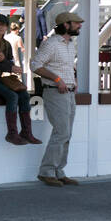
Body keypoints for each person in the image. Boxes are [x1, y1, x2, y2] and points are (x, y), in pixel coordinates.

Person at [32, 10, 83, 186]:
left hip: (68, 92)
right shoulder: (51, 43)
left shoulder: (69, 44)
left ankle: (59, 171)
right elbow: (35, 65)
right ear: (66, 25)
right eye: (76, 23)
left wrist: (73, 79)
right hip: (55, 91)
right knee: (62, 132)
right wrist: (57, 79)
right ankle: (46, 171)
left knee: (66, 134)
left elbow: (66, 66)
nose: (79, 26)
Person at [0, 13, 41, 145]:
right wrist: (9, 67)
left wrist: (5, 61)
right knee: (12, 95)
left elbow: (9, 61)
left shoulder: (6, 44)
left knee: (24, 94)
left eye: (3, 25)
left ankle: (26, 132)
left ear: (6, 27)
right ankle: (12, 133)